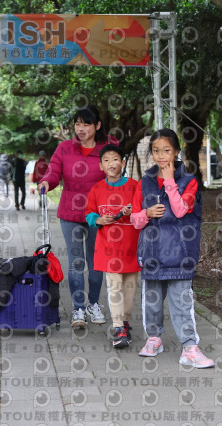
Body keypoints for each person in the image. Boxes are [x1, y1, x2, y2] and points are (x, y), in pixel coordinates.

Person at [130, 128, 214, 368]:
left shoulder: (189, 181)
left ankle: (189, 348)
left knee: (181, 302)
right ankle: (154, 339)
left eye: (166, 150)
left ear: (176, 151)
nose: (161, 155)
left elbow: (180, 211)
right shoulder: (144, 182)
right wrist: (147, 213)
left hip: (180, 254)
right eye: (156, 151)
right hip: (152, 253)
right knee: (152, 301)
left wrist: (169, 182)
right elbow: (135, 221)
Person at [38, 106, 118, 328]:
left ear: (97, 126)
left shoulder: (107, 148)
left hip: (98, 215)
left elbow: (115, 170)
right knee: (76, 262)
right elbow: (54, 172)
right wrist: (46, 182)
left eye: (86, 124)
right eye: (77, 124)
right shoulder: (65, 148)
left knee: (95, 262)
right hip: (70, 214)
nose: (81, 129)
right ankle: (78, 309)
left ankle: (94, 304)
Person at [85, 144, 140, 348]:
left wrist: (133, 211)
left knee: (130, 288)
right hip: (108, 248)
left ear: (123, 163)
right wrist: (98, 220)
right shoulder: (97, 189)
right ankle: (118, 327)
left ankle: (125, 322)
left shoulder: (135, 186)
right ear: (101, 166)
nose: (111, 163)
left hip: (132, 247)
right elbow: (89, 213)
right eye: (106, 160)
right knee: (114, 286)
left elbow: (143, 212)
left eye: (115, 159)